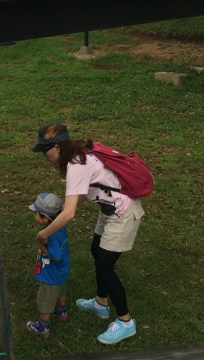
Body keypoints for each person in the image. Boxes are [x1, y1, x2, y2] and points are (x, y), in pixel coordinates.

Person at [32, 123, 145, 345]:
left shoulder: (76, 165)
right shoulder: (77, 155)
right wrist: (65, 208)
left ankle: (125, 321)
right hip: (109, 208)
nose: (44, 155)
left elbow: (69, 214)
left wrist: (42, 235)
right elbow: (81, 194)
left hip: (123, 211)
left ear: (56, 147)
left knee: (105, 265)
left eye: (45, 150)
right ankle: (101, 303)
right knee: (97, 251)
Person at [26, 192, 70, 339]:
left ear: (46, 217)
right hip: (62, 271)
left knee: (45, 299)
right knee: (61, 292)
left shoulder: (50, 234)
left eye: (36, 213)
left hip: (51, 275)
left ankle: (43, 326)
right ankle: (62, 311)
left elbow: (56, 256)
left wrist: (41, 245)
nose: (34, 216)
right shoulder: (60, 226)